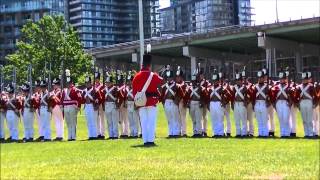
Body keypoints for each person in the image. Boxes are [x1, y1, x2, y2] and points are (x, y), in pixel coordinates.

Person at [132, 53, 163, 146]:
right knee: (151, 122)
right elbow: (162, 82)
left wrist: (136, 102)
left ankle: (145, 141)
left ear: (142, 64)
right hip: (152, 101)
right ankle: (151, 140)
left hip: (141, 102)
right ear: (149, 65)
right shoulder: (153, 75)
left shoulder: (136, 76)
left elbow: (134, 92)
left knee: (144, 122)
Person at [161, 65, 181, 138]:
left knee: (175, 117)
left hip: (173, 102)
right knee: (169, 118)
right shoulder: (164, 86)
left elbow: (180, 94)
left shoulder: (176, 86)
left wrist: (177, 100)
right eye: (168, 77)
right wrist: (163, 103)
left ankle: (176, 132)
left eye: (170, 77)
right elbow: (162, 95)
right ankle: (170, 132)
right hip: (167, 102)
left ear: (172, 77)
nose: (169, 79)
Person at [61, 70, 82, 141]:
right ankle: (69, 136)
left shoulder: (75, 90)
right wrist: (62, 107)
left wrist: (78, 107)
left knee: (73, 122)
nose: (68, 84)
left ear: (72, 83)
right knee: (68, 122)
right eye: (67, 83)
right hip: (66, 107)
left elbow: (79, 98)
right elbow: (62, 99)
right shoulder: (64, 90)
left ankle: (73, 136)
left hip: (72, 107)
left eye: (69, 83)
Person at [185, 70, 206, 137]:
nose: (193, 81)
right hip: (191, 104)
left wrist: (200, 88)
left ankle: (199, 132)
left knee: (198, 119)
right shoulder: (189, 88)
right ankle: (195, 132)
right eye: (193, 80)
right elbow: (187, 96)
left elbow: (204, 95)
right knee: (193, 119)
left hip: (198, 103)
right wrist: (188, 103)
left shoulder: (200, 87)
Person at [271, 70, 292, 138]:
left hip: (285, 103)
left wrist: (290, 102)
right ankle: (282, 133)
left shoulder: (288, 87)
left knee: (286, 118)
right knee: (281, 118)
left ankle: (287, 133)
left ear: (285, 79)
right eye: (280, 78)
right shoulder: (276, 87)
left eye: (283, 78)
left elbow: (292, 96)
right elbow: (273, 96)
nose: (281, 80)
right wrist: (274, 104)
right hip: (279, 103)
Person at [207, 70, 227, 137]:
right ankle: (215, 133)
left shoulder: (221, 88)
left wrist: (222, 90)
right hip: (212, 104)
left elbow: (225, 95)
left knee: (219, 119)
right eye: (214, 80)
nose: (214, 82)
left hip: (219, 103)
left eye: (216, 80)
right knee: (214, 119)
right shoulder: (210, 88)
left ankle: (220, 133)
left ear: (218, 81)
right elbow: (208, 97)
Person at [103, 71, 123, 139]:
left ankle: (115, 135)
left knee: (114, 121)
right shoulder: (104, 90)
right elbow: (103, 98)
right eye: (106, 82)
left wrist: (118, 104)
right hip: (107, 105)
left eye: (108, 82)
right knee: (109, 121)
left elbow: (122, 97)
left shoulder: (115, 89)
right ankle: (110, 134)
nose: (107, 84)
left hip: (113, 105)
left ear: (112, 83)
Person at [82, 74, 102, 140]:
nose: (87, 84)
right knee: (89, 121)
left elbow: (99, 98)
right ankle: (90, 135)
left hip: (92, 106)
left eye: (88, 83)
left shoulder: (95, 90)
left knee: (94, 121)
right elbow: (82, 99)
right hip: (87, 106)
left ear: (91, 83)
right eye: (86, 83)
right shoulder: (84, 91)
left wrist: (95, 101)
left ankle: (95, 135)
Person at [297, 71, 316, 138]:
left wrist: (314, 103)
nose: (304, 80)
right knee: (304, 119)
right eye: (303, 79)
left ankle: (310, 133)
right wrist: (298, 104)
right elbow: (298, 96)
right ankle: (306, 133)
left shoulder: (311, 86)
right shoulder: (299, 87)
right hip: (302, 102)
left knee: (309, 119)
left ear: (307, 79)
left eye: (305, 79)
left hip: (309, 102)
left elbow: (315, 96)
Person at [253, 70, 271, 137]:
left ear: (264, 78)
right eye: (259, 78)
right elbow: (253, 96)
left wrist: (268, 101)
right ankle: (260, 133)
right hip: (257, 103)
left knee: (264, 119)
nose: (260, 79)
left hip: (264, 103)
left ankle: (265, 133)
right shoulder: (255, 86)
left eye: (261, 78)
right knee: (259, 120)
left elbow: (270, 96)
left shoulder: (267, 86)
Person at [231, 72, 249, 137]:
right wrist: (232, 104)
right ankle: (238, 133)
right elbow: (232, 97)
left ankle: (244, 133)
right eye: (237, 80)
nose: (238, 82)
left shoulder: (244, 88)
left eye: (239, 80)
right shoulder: (234, 87)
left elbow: (247, 96)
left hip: (242, 104)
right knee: (237, 119)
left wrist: (246, 102)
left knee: (243, 119)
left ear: (241, 81)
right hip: (236, 104)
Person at [123, 71, 140, 138]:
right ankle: (132, 132)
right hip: (129, 104)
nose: (129, 82)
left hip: (134, 103)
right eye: (128, 81)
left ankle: (135, 133)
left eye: (130, 81)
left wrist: (136, 104)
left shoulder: (135, 88)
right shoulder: (126, 89)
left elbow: (137, 97)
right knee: (130, 120)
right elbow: (125, 97)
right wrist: (125, 103)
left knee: (135, 119)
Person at [175, 66, 188, 137]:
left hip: (182, 102)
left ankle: (184, 132)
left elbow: (185, 94)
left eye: (179, 77)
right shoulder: (175, 84)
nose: (177, 78)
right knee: (177, 117)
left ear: (181, 77)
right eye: (177, 77)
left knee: (183, 117)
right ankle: (178, 131)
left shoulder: (184, 84)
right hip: (176, 102)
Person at [117, 70, 129, 138]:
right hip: (119, 104)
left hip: (124, 104)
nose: (120, 82)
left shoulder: (125, 88)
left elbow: (124, 96)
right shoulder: (118, 88)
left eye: (120, 81)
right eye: (119, 81)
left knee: (125, 119)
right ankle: (122, 132)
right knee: (120, 119)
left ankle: (126, 132)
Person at [242, 69, 255, 136]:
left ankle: (251, 132)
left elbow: (252, 94)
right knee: (244, 118)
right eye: (243, 77)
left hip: (249, 103)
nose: (244, 79)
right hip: (243, 104)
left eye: (245, 77)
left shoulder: (250, 85)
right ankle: (245, 131)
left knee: (250, 119)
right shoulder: (241, 85)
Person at [94, 69, 106, 139]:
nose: (96, 80)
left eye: (97, 79)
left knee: (102, 118)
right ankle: (98, 133)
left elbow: (103, 95)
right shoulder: (93, 87)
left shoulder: (102, 86)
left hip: (101, 104)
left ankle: (102, 133)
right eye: (95, 79)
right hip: (95, 104)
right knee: (96, 119)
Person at [198, 66, 210, 137]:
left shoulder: (206, 83)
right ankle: (200, 130)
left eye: (201, 75)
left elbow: (207, 91)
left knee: (205, 117)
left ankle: (205, 131)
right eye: (199, 75)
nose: (200, 76)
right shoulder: (196, 82)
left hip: (204, 101)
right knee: (199, 117)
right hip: (198, 101)